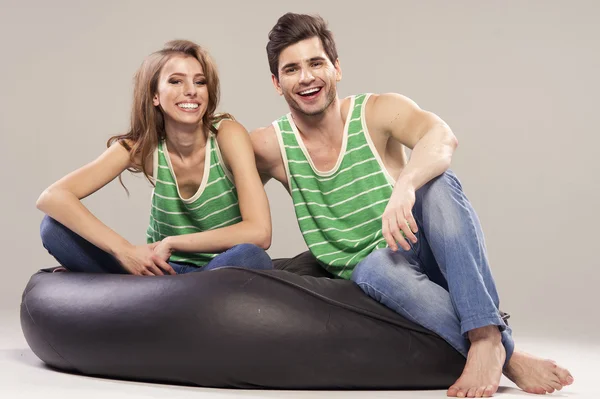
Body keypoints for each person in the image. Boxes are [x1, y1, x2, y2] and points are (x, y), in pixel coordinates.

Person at [250, 13, 574, 398]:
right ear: (276, 82)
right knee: (374, 267)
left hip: (428, 251)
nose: (306, 77)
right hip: (383, 282)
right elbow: (215, 189)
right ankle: (509, 355)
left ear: (336, 68)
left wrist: (405, 186)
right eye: (291, 69)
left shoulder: (376, 112)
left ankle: (488, 338)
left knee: (436, 183)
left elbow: (440, 134)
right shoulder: (272, 145)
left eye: (316, 63)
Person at [37, 40, 273, 276]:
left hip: (217, 267)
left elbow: (260, 232)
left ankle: (167, 297)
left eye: (199, 82)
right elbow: (53, 197)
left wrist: (173, 243)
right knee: (53, 228)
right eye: (176, 81)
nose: (191, 90)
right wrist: (126, 251)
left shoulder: (227, 134)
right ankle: (174, 297)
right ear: (154, 97)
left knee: (251, 256)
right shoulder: (143, 148)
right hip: (159, 269)